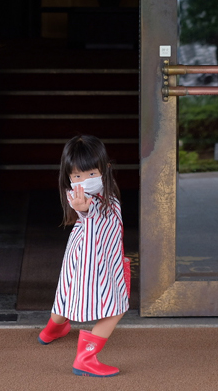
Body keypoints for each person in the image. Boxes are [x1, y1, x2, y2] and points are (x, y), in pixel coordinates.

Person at [37, 134, 129, 377]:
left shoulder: (105, 192)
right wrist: (83, 209)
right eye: (77, 176)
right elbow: (88, 210)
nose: (85, 181)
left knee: (66, 292)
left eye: (91, 173)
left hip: (82, 255)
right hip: (95, 261)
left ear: (105, 169)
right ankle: (86, 358)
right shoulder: (84, 200)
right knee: (116, 306)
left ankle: (51, 331)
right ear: (68, 177)